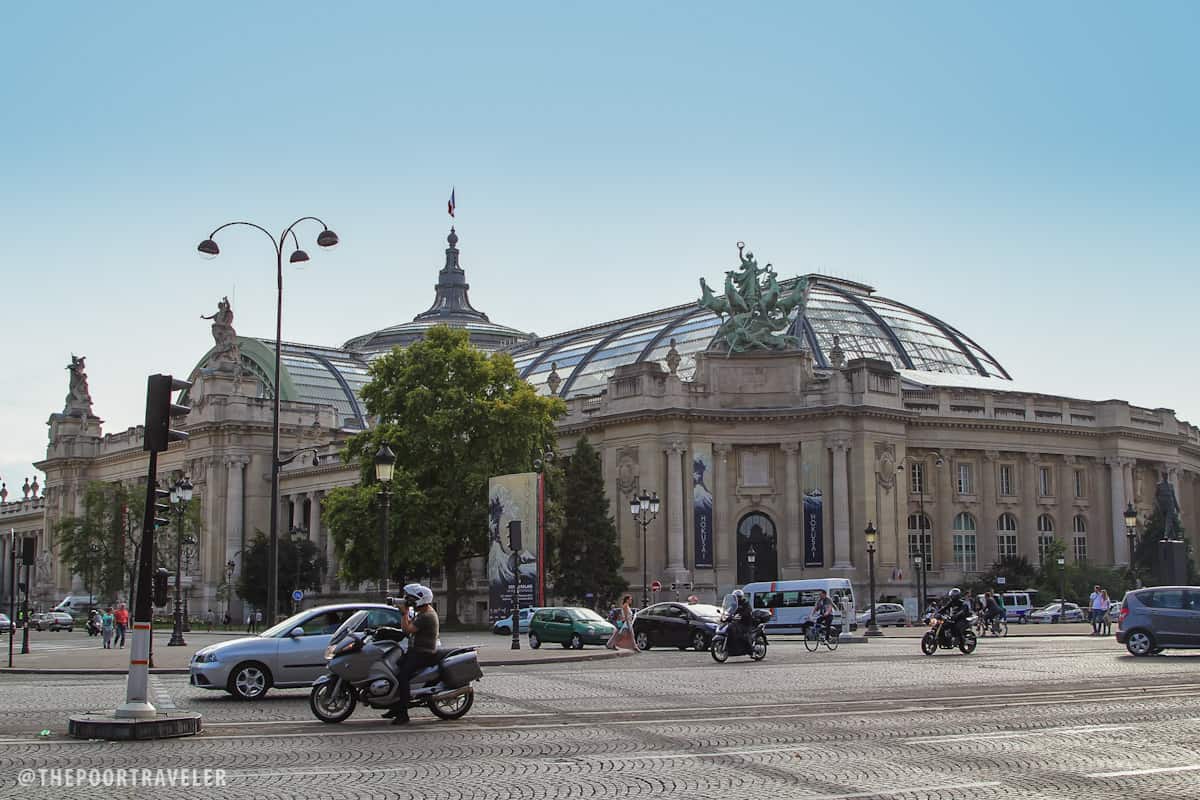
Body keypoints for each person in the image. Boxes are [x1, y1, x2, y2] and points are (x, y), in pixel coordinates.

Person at [384, 583, 440, 725]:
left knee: (403, 676)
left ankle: (403, 714)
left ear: (420, 599)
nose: (408, 601)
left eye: (410, 599)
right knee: (393, 671)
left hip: (423, 653)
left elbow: (407, 630)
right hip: (415, 651)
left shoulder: (426, 616)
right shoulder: (422, 612)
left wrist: (404, 613)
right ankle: (395, 707)